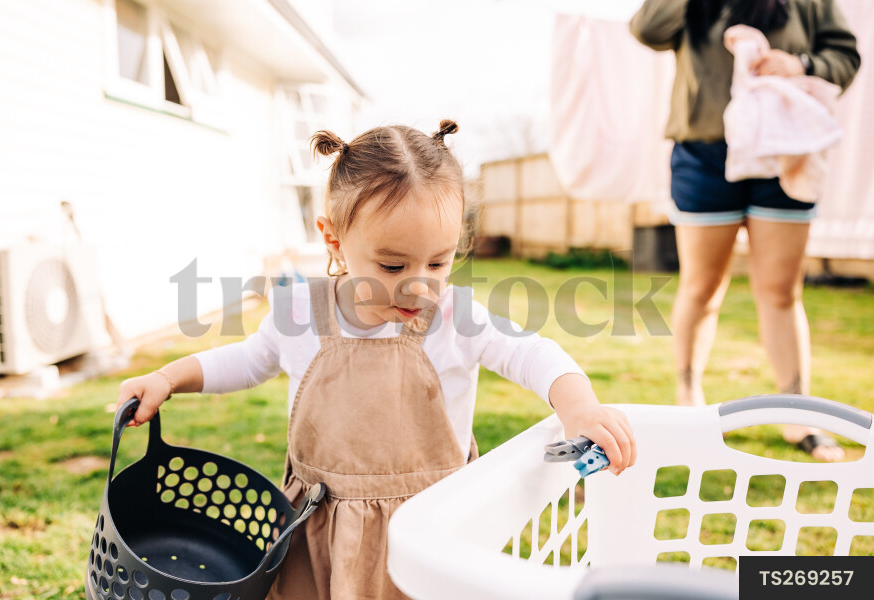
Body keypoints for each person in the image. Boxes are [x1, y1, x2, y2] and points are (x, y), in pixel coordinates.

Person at [116, 120, 636, 599]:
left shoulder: (456, 316)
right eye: (392, 264)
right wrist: (168, 377)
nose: (418, 282)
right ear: (334, 240)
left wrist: (580, 406)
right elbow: (248, 360)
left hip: (431, 529)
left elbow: (532, 353)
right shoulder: (301, 311)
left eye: (439, 261)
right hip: (321, 531)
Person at [630, 0, 860, 461]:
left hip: (785, 153)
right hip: (704, 154)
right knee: (702, 286)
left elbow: (846, 56)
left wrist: (801, 63)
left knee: (780, 291)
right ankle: (689, 402)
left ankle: (799, 414)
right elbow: (648, 29)